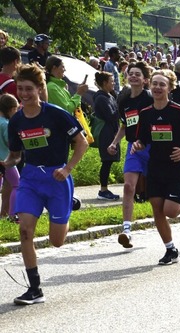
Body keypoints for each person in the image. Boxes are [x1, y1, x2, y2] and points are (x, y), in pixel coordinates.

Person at [4, 64, 88, 305]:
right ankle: (34, 288)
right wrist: (5, 163)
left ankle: (68, 204)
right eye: (20, 89)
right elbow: (16, 156)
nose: (24, 94)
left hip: (57, 178)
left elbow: (81, 142)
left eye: (29, 89)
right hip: (30, 179)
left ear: (40, 89)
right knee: (25, 231)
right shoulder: (16, 121)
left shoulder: (56, 114)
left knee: (57, 241)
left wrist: (68, 168)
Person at [131, 69, 180, 265]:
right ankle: (170, 249)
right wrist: (138, 145)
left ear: (170, 88)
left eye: (162, 84)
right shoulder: (145, 114)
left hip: (175, 167)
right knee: (157, 209)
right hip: (155, 167)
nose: (157, 88)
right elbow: (142, 139)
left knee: (170, 211)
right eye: (154, 84)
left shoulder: (179, 111)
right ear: (149, 85)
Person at [108, 61, 154, 248]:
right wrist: (114, 142)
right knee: (128, 186)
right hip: (133, 148)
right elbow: (125, 125)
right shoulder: (124, 102)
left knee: (159, 191)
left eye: (137, 74)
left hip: (153, 147)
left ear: (144, 80)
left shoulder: (151, 98)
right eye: (131, 73)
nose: (133, 76)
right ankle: (126, 230)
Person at [92, 71, 121, 201]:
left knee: (109, 161)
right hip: (105, 132)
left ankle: (105, 189)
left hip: (111, 131)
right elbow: (111, 116)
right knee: (106, 161)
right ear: (104, 83)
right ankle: (103, 190)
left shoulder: (109, 96)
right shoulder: (101, 98)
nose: (114, 83)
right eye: (111, 81)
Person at [0, 94, 20, 221]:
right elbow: (10, 142)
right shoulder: (6, 124)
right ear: (11, 109)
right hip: (5, 160)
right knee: (17, 184)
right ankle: (13, 214)